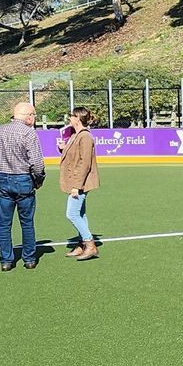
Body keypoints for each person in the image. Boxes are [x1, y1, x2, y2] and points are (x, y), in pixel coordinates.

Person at [0, 101, 47, 271]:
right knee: (27, 222)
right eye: (34, 115)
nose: (34, 118)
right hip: (23, 180)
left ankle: (6, 261)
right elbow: (37, 164)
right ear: (28, 116)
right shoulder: (29, 133)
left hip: (3, 181)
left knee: (4, 224)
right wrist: (39, 180)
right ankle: (29, 259)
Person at [59, 105, 101, 260]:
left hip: (81, 183)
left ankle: (90, 245)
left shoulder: (85, 136)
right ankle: (82, 244)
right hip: (77, 181)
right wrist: (63, 148)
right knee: (80, 214)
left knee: (72, 214)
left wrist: (77, 186)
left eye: (71, 115)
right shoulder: (76, 135)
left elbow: (85, 163)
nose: (69, 118)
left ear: (77, 118)